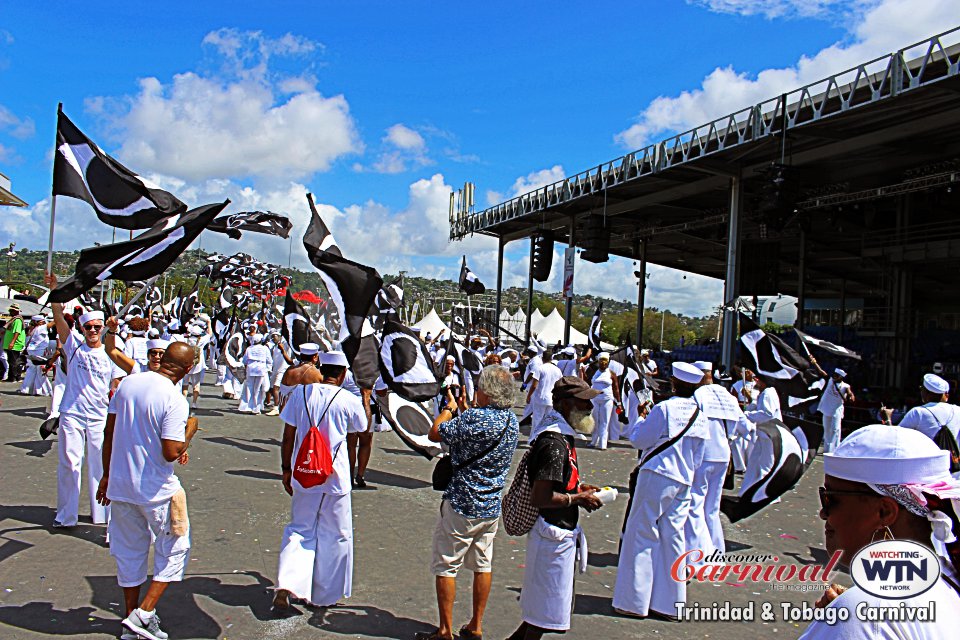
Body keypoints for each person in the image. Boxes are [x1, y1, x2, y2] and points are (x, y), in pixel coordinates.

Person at [797, 425, 960, 639]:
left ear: (884, 512)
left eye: (830, 500)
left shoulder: (868, 614)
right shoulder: (947, 579)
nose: (823, 514)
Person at [95, 342, 198, 640]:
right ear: (188, 370)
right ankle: (144, 613)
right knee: (176, 548)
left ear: (161, 358)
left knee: (129, 552)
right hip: (157, 489)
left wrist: (106, 476)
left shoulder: (128, 384)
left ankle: (130, 618)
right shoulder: (174, 399)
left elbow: (109, 432)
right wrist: (190, 429)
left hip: (121, 484)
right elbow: (171, 451)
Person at [418, 365, 520, 640]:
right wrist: (467, 411)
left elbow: (436, 432)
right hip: (490, 503)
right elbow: (476, 435)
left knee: (447, 564)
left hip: (463, 501)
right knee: (482, 564)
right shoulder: (511, 421)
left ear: (486, 392)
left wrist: (450, 409)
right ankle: (476, 624)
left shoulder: (475, 417)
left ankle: (445, 629)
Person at [506, 376, 604, 640]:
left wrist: (579, 487)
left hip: (557, 533)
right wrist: (577, 499)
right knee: (542, 615)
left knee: (539, 613)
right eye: (582, 401)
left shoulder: (562, 437)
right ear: (563, 404)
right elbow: (542, 496)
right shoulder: (554, 443)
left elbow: (560, 479)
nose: (589, 408)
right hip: (551, 535)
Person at [613, 362, 708, 620]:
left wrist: (641, 418)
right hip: (684, 478)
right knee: (674, 537)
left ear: (674, 384)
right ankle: (670, 604)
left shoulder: (664, 408)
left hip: (658, 474)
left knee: (641, 533)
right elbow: (699, 457)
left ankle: (634, 601)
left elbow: (639, 440)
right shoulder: (701, 414)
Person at [273, 351, 367, 611]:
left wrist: (285, 469)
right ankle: (324, 595)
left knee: (300, 527)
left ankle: (287, 584)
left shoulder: (300, 394)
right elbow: (360, 428)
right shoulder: (348, 398)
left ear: (321, 368)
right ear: (343, 374)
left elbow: (288, 436)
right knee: (335, 533)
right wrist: (366, 399)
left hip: (304, 471)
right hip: (336, 475)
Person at [46, 272, 125, 528]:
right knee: (69, 462)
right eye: (88, 327)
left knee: (99, 464)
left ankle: (99, 513)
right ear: (82, 328)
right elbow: (59, 319)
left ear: (102, 329)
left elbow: (117, 384)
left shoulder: (110, 353)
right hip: (72, 412)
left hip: (98, 415)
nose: (92, 331)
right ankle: (65, 515)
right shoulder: (74, 345)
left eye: (97, 328)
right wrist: (55, 293)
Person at [897, 373, 960, 479]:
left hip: (926, 474)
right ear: (946, 395)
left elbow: (896, 440)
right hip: (954, 475)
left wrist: (887, 419)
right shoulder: (958, 411)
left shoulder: (918, 413)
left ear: (925, 393)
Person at [812, 359, 855, 453]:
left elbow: (850, 394)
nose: (834, 376)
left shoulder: (845, 386)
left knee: (835, 430)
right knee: (827, 430)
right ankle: (827, 450)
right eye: (834, 374)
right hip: (826, 409)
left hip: (836, 411)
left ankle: (835, 450)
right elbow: (821, 372)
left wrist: (851, 396)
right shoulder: (830, 380)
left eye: (837, 375)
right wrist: (814, 362)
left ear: (841, 377)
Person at [588, 352, 620, 450]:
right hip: (595, 399)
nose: (603, 363)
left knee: (605, 421)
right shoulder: (594, 372)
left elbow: (616, 388)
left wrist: (619, 402)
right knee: (595, 421)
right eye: (601, 361)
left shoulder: (611, 373)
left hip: (607, 400)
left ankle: (603, 443)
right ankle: (594, 441)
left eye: (605, 361)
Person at [526, 349, 563, 431]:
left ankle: (534, 439)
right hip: (552, 399)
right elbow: (560, 385)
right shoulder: (557, 370)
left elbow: (534, 385)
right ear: (551, 358)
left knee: (537, 420)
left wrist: (529, 396)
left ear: (542, 358)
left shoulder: (540, 368)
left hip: (540, 398)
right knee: (548, 421)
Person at [277, 343, 322, 410]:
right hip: (307, 412)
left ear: (301, 355)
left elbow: (282, 394)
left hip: (290, 411)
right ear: (315, 357)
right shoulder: (317, 374)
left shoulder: (289, 371)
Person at [19, 315, 53, 396]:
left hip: (31, 351)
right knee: (40, 370)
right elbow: (55, 322)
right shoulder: (41, 328)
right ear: (39, 322)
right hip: (39, 352)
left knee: (31, 370)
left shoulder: (31, 329)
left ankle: (26, 389)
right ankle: (40, 391)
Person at [238, 333, 271, 414]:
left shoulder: (249, 348)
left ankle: (247, 407)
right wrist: (268, 369)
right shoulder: (265, 348)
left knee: (249, 388)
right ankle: (256, 408)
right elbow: (269, 360)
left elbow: (245, 360)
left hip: (251, 368)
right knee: (258, 389)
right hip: (261, 369)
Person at [3, 303, 25, 382]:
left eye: (11, 310)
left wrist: (12, 342)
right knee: (12, 361)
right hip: (12, 344)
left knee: (13, 361)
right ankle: (12, 376)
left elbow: (17, 332)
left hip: (15, 344)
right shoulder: (14, 319)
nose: (9, 312)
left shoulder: (17, 320)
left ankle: (13, 377)